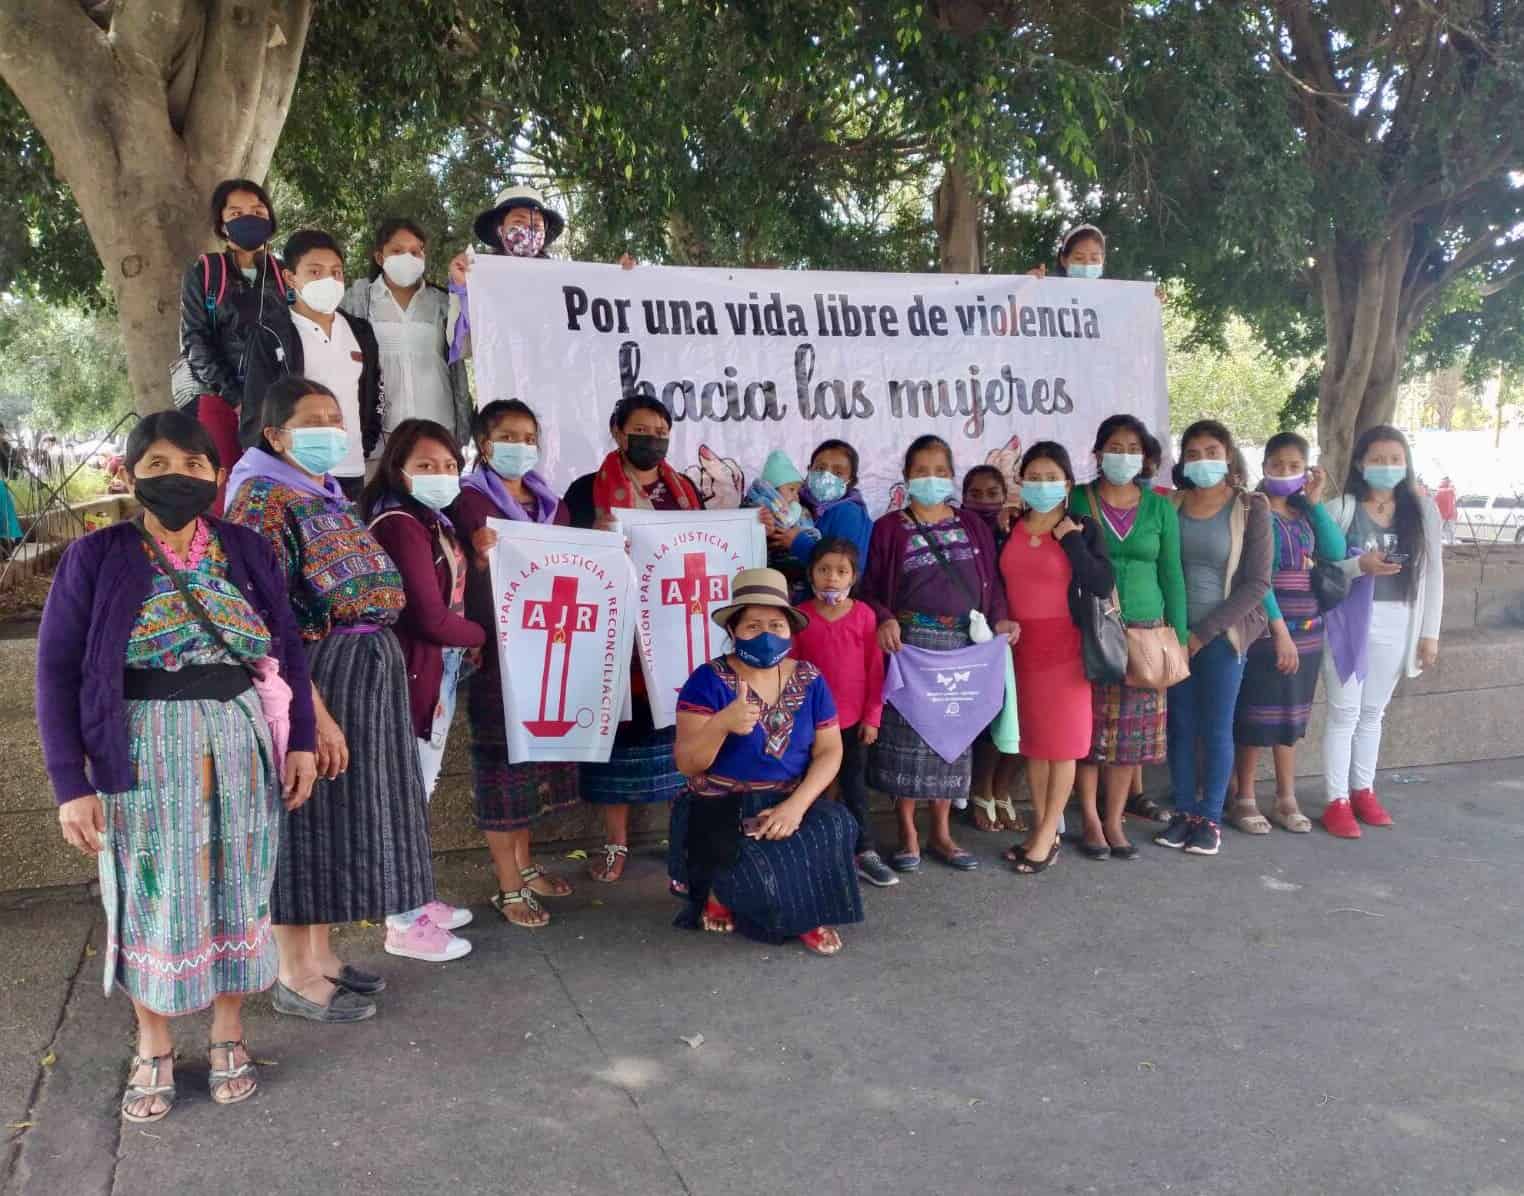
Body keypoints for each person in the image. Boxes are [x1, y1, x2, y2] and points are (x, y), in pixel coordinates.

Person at [37, 410, 317, 1123]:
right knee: (150, 894)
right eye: (158, 465)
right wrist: (72, 784)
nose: (178, 479)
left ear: (217, 477)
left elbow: (284, 646)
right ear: (131, 475)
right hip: (139, 744)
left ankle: (228, 1034)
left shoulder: (246, 549)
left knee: (239, 886)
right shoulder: (97, 556)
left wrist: (302, 741)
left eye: (194, 466)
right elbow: (56, 670)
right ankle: (154, 1044)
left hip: (240, 737)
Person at [224, 377, 435, 1022]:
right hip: (317, 669)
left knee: (341, 819)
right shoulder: (261, 499)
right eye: (314, 419)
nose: (330, 429)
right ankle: (291, 973)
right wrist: (310, 708)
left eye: (336, 417)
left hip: (364, 664)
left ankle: (321, 955)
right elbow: (266, 612)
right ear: (275, 434)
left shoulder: (320, 491)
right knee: (307, 815)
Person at [671, 568, 863, 955]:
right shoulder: (707, 680)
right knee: (763, 874)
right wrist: (722, 723)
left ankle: (795, 908)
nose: (766, 635)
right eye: (753, 626)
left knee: (838, 824)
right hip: (721, 806)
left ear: (791, 631)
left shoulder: (810, 678)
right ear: (734, 631)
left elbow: (830, 751)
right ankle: (720, 893)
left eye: (777, 625)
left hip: (785, 803)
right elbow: (688, 764)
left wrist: (795, 807)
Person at [449, 399, 580, 924]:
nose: (520, 445)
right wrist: (480, 559)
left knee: (532, 770)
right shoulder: (467, 502)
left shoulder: (554, 505)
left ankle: (526, 867)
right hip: (496, 656)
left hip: (550, 651)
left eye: (529, 436)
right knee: (502, 767)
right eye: (508, 435)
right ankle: (507, 886)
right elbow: (454, 572)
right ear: (484, 443)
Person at [862, 434, 1018, 873]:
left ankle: (943, 834)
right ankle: (909, 834)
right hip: (912, 649)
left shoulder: (970, 524)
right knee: (909, 743)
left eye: (940, 470)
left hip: (963, 648)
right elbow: (870, 589)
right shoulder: (889, 527)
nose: (931, 478)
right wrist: (885, 618)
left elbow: (992, 583)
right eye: (921, 471)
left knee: (953, 742)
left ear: (951, 475)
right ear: (907, 476)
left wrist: (1000, 619)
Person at [564, 396, 703, 881]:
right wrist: (596, 539)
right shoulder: (586, 493)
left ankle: (684, 843)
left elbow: (704, 548)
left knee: (681, 736)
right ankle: (615, 844)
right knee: (618, 741)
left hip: (672, 635)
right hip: (615, 641)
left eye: (661, 431)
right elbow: (566, 558)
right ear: (618, 433)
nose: (653, 439)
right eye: (642, 430)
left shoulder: (685, 492)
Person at [361, 419, 482, 960]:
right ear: (399, 470)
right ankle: (403, 922)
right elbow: (429, 617)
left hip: (438, 667)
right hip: (415, 670)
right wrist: (485, 634)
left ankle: (416, 894)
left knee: (419, 790)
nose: (441, 474)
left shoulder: (432, 520)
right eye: (426, 466)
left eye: (450, 466)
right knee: (405, 795)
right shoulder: (400, 524)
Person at [1068, 415, 1187, 859]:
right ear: (1098, 453)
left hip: (1147, 634)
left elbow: (1171, 573)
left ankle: (1116, 819)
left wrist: (1180, 633)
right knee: (1089, 733)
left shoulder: (1159, 507)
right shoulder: (1079, 498)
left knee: (1129, 740)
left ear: (1145, 456)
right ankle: (1091, 821)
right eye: (1113, 447)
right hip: (1093, 631)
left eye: (1131, 448)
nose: (1122, 456)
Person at [1153, 421, 1272, 858]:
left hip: (1224, 637)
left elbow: (1257, 583)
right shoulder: (1172, 503)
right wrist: (1178, 633)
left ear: (1228, 456)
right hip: (1174, 636)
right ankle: (1184, 811)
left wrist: (1203, 635)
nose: (1203, 460)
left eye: (1212, 450)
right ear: (1182, 460)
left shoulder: (1250, 508)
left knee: (1217, 728)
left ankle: (1210, 820)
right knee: (1179, 725)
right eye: (1194, 452)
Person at [1319, 425, 1444, 838]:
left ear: (1406, 465)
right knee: (1344, 712)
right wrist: (1360, 567)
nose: (1387, 467)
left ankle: (1362, 790)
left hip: (1398, 618)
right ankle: (1335, 800)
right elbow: (1319, 569)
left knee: (1373, 713)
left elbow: (1434, 574)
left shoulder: (1421, 511)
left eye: (1395, 459)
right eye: (1377, 459)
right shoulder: (1341, 509)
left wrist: (1430, 633)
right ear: (1360, 464)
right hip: (1348, 622)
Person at [999, 442, 1114, 873]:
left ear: (1067, 484)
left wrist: (1071, 543)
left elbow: (1101, 582)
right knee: (1035, 744)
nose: (1042, 485)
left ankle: (1049, 833)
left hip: (1067, 648)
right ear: (1021, 481)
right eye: (1035, 477)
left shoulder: (1081, 528)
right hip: (1021, 649)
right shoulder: (1009, 525)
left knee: (1063, 745)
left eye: (1052, 478)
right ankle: (1038, 828)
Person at [1225, 435, 1345, 834]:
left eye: (1294, 465)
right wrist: (1280, 633)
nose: (1284, 472)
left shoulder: (1303, 513)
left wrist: (1313, 499)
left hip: (1309, 628)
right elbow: (1261, 580)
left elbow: (1335, 548)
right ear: (1263, 466)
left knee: (1292, 716)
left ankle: (1285, 797)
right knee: (1255, 714)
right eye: (1276, 464)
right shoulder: (1255, 510)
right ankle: (1244, 796)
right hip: (1267, 627)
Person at [237, 230, 382, 501]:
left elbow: (373, 393)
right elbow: (257, 407)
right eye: (315, 272)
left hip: (350, 469)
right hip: (293, 472)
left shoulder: (360, 331)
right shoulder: (270, 334)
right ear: (290, 278)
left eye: (336, 272)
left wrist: (364, 443)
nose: (329, 280)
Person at [788, 538, 893, 887]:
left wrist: (872, 717)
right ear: (811, 574)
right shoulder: (800, 617)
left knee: (854, 787)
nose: (832, 578)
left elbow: (875, 669)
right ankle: (810, 849)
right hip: (809, 723)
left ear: (853, 576)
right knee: (810, 785)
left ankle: (865, 852)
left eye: (841, 571)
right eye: (823, 570)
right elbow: (790, 671)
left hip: (852, 723)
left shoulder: (864, 615)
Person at [179, 179, 288, 512]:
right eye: (237, 212)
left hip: (277, 403)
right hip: (224, 402)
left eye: (257, 210)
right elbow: (195, 340)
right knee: (226, 495)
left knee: (277, 495)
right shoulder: (206, 272)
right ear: (222, 224)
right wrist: (237, 398)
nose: (249, 218)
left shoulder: (287, 274)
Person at [446, 185, 635, 362]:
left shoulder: (562, 282)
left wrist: (620, 280)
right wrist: (462, 289)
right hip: (505, 389)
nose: (528, 231)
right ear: (500, 230)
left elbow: (599, 329)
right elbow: (462, 348)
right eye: (519, 221)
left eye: (536, 226)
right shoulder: (479, 279)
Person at [342, 218, 473, 449]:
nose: (408, 258)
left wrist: (461, 288)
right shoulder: (358, 301)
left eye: (415, 251)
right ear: (380, 257)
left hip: (438, 430)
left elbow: (464, 348)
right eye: (397, 250)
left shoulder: (443, 302)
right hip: (379, 437)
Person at [961, 463, 1023, 834]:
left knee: (1021, 716)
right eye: (975, 494)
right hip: (979, 635)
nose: (984, 502)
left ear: (1006, 497)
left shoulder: (1015, 531)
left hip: (1022, 629)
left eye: (992, 494)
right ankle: (980, 789)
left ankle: (1003, 790)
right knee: (989, 714)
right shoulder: (956, 534)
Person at [776, 438, 873, 574]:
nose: (826, 475)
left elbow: (849, 569)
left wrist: (799, 543)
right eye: (820, 468)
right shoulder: (795, 502)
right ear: (809, 470)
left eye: (838, 473)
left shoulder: (851, 514)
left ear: (850, 481)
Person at [1434, 476, 1458, 545]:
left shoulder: (1440, 491)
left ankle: (1449, 542)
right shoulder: (1450, 491)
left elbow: (1435, 502)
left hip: (1444, 514)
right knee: (1448, 530)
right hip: (1447, 514)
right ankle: (1450, 542)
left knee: (1443, 530)